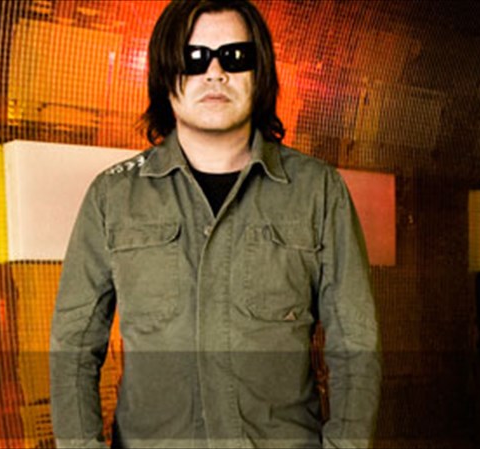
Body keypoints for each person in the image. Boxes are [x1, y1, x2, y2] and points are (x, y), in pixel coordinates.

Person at [49, 0, 381, 447]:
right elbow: (73, 347)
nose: (215, 72)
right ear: (165, 73)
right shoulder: (113, 196)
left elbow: (355, 344)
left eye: (235, 56)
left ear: (259, 73)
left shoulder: (318, 191)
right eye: (194, 58)